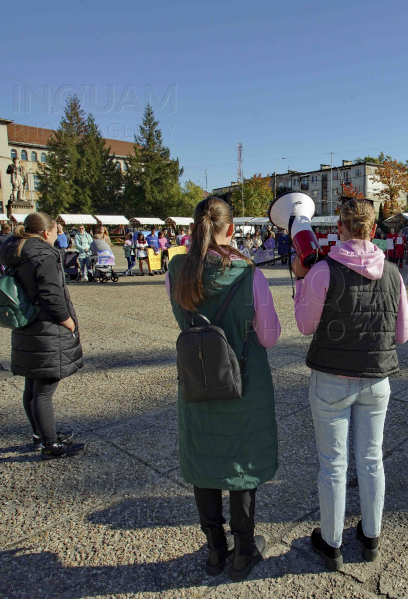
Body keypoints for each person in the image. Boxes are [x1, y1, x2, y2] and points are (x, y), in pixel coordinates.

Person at [292, 197, 408, 572]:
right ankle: (371, 535)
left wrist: (299, 280)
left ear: (339, 229)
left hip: (331, 377)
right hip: (376, 379)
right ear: (374, 230)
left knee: (333, 464)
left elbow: (305, 326)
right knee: (372, 458)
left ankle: (332, 544)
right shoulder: (393, 273)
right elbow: (402, 334)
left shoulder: (324, 270)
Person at [167, 197, 281, 582]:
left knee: (205, 460)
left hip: (197, 376)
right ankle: (243, 549)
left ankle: (216, 549)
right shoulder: (249, 274)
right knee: (240, 463)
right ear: (230, 229)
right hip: (243, 382)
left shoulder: (176, 270)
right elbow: (270, 336)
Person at [0, 213, 85, 460]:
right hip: (47, 327)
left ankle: (40, 433)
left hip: (27, 323)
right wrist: (68, 322)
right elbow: (51, 294)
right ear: (47, 232)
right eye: (57, 230)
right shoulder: (43, 254)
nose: (59, 234)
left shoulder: (17, 251)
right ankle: (50, 444)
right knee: (44, 390)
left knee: (32, 385)